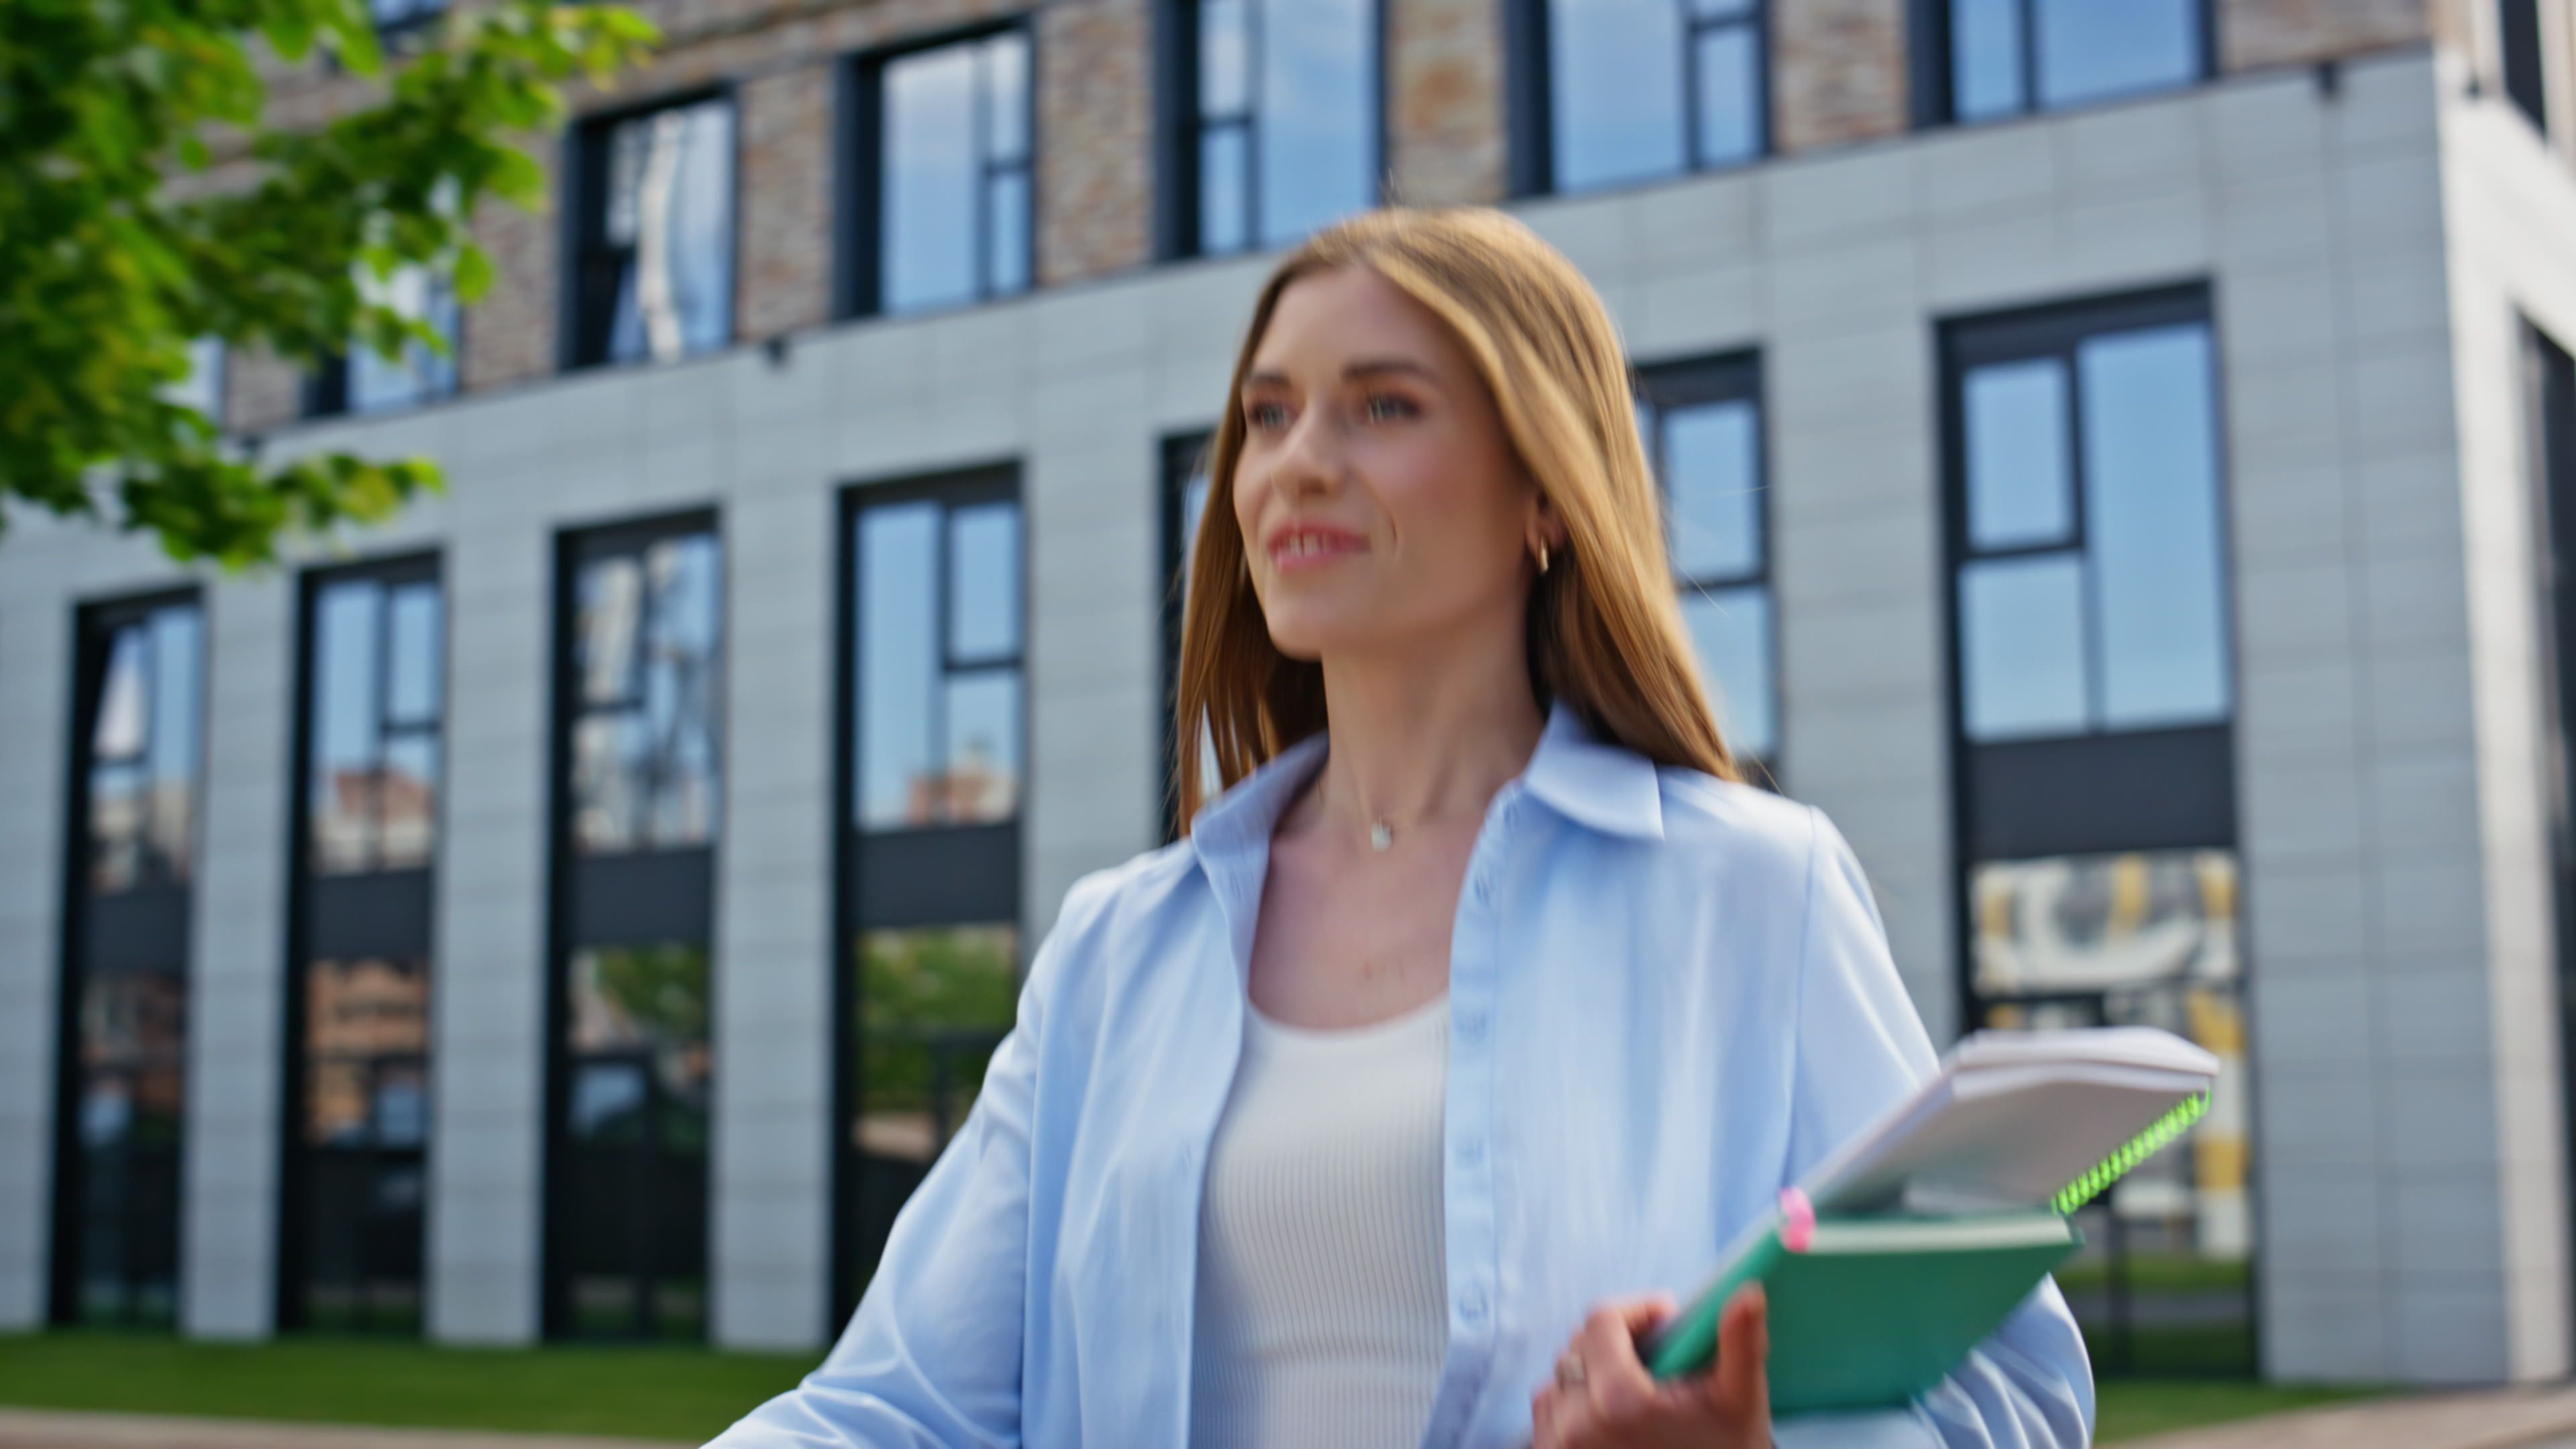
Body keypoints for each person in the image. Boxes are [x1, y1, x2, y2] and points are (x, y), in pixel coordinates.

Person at [707, 207, 2092, 1449]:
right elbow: (898, 1407)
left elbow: (2015, 1400)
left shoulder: (1752, 893)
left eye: (1381, 408)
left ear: (1545, 490)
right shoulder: (1116, 952)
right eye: (1267, 415)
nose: (1296, 465)